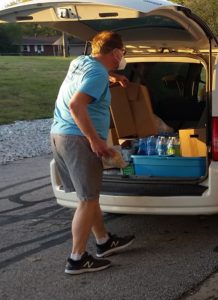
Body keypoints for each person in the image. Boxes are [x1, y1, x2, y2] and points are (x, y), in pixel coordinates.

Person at [51, 31, 135, 274]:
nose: (123, 56)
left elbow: (91, 74)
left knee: (89, 196)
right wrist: (95, 140)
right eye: (123, 53)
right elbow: (76, 105)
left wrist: (113, 76)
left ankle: (103, 241)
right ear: (116, 52)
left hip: (59, 135)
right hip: (78, 139)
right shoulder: (98, 73)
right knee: (88, 200)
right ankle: (76, 259)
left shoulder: (80, 62)